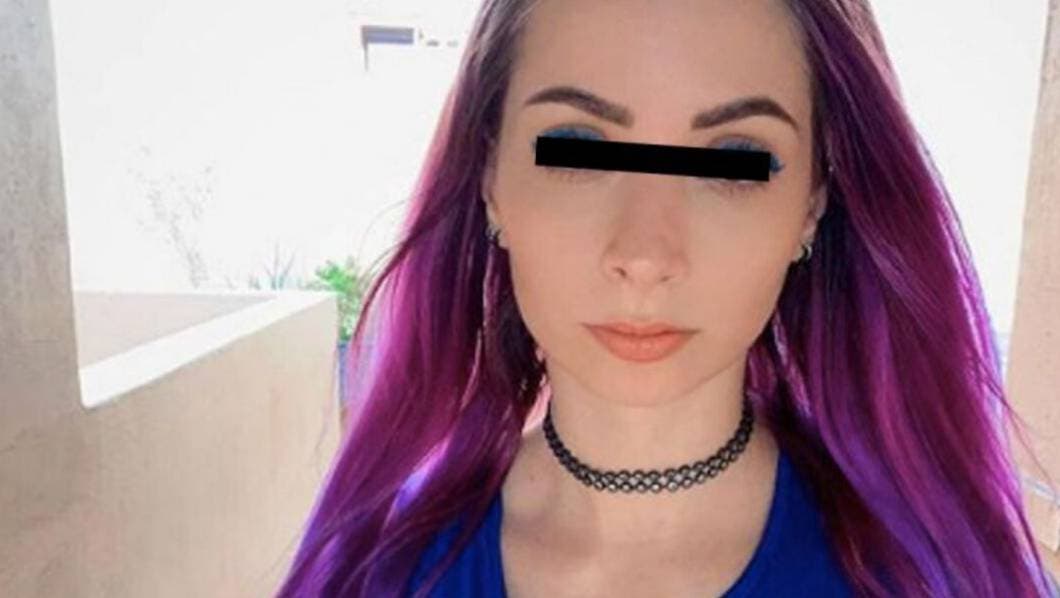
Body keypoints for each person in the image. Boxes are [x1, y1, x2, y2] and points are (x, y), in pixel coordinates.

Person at [276, 1, 1060, 596]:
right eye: (578, 147)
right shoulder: (379, 571)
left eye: (734, 159)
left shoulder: (931, 577)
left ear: (813, 202)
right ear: (489, 178)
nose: (646, 256)